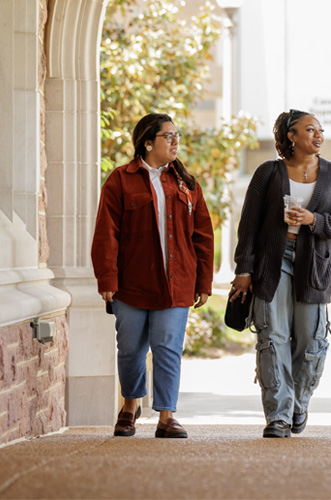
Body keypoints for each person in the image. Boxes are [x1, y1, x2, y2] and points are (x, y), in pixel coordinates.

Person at [231, 109, 331, 438]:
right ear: (291, 136)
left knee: (312, 340)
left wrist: (314, 220)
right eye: (310, 129)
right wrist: (243, 269)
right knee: (272, 338)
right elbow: (249, 226)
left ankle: (299, 403)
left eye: (321, 130)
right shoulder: (268, 173)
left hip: (313, 264)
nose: (318, 135)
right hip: (273, 263)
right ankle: (278, 416)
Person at [91, 113, 214, 439]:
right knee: (130, 348)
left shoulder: (187, 184)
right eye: (168, 136)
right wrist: (107, 279)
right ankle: (130, 405)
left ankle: (166, 415)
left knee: (168, 347)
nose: (175, 142)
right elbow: (107, 233)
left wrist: (204, 282)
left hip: (177, 283)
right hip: (131, 283)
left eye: (177, 136)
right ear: (148, 142)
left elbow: (203, 236)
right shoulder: (120, 180)